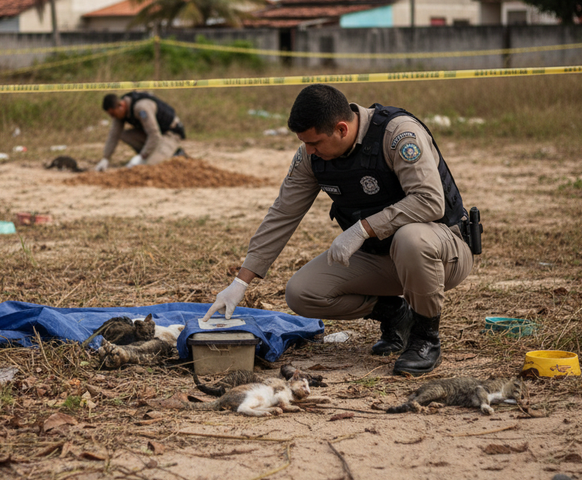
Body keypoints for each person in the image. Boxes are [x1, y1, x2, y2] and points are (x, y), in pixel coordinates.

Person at [201, 84, 476, 377]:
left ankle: (425, 339)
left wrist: (363, 228)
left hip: (441, 252)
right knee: (302, 293)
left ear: (342, 129)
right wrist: (241, 282)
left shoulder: (398, 135)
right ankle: (397, 316)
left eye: (315, 143)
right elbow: (283, 213)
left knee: (411, 239)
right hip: (383, 256)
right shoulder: (313, 155)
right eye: (304, 143)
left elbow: (429, 201)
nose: (309, 151)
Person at [95, 91, 186, 171]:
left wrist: (142, 156)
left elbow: (154, 135)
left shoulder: (141, 108)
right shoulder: (120, 111)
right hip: (155, 135)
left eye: (113, 114)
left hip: (170, 133)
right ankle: (150, 154)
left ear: (121, 106)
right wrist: (105, 158)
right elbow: (114, 135)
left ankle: (176, 153)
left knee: (150, 166)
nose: (113, 117)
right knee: (123, 135)